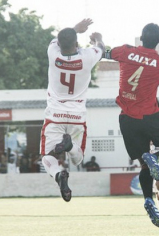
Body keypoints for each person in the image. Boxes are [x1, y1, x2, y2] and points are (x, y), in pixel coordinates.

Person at [104, 23, 159, 228]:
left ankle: (147, 200)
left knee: (144, 166)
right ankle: (154, 157)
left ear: (140, 38)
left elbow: (104, 53)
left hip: (126, 119)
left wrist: (98, 42)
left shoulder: (125, 51)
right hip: (150, 117)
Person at [39, 18, 105, 202]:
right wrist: (97, 38)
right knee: (78, 159)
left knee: (47, 157)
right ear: (76, 43)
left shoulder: (53, 53)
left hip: (54, 115)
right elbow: (101, 47)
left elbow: (59, 40)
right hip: (77, 116)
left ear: (59, 44)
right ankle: (70, 147)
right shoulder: (88, 56)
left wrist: (76, 29)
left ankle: (59, 175)